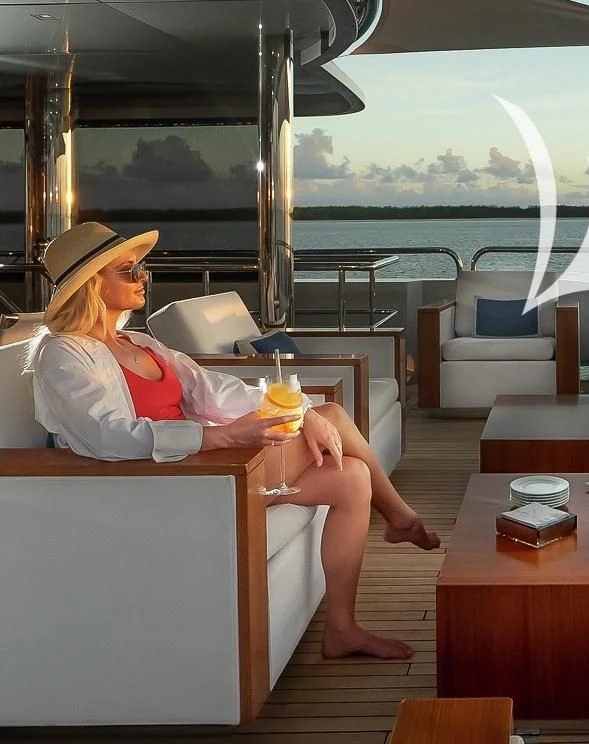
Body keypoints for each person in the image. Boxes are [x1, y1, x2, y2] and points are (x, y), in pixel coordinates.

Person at [30, 221, 437, 660]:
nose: (143, 277)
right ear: (91, 286)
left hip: (204, 464)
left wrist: (300, 412)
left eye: (141, 267)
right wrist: (220, 435)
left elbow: (216, 390)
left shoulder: (140, 343)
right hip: (161, 479)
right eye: (128, 270)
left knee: (352, 476)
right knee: (334, 416)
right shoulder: (64, 355)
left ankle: (343, 628)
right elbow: (106, 437)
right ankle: (400, 518)